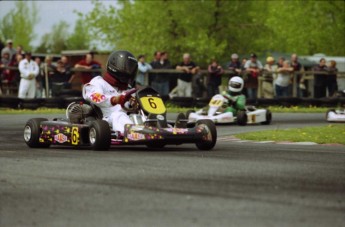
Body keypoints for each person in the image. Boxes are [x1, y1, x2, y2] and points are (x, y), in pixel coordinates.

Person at [83, 50, 138, 135]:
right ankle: (134, 133)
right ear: (115, 66)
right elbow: (94, 96)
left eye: (131, 68)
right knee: (118, 115)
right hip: (108, 120)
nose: (130, 71)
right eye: (127, 67)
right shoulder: (99, 82)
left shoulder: (128, 88)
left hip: (129, 117)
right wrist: (114, 100)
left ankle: (155, 130)